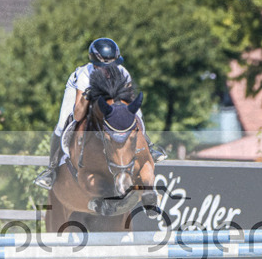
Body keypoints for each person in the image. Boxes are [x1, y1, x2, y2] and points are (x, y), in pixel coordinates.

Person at [33, 37, 165, 190]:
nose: (110, 70)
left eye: (113, 65)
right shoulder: (84, 77)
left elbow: (127, 104)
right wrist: (86, 96)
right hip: (77, 89)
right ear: (95, 65)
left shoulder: (122, 72)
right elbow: (77, 115)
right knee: (62, 124)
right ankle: (51, 170)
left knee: (136, 113)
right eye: (105, 67)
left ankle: (148, 145)